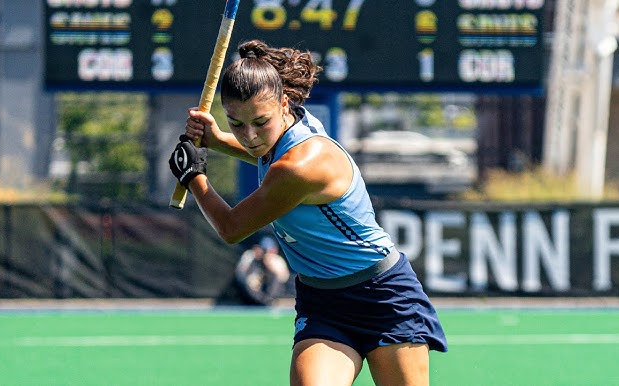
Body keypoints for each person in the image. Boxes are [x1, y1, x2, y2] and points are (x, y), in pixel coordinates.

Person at [169, 39, 447, 386]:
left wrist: (193, 177)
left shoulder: (302, 164)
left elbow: (231, 228)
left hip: (382, 296)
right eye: (236, 124)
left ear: (284, 103)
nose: (250, 136)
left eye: (260, 121)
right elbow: (264, 154)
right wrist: (217, 139)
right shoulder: (293, 128)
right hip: (323, 303)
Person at [235, 236, 290, 306]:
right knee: (248, 282)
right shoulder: (251, 256)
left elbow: (283, 277)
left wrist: (270, 266)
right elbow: (241, 272)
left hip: (270, 290)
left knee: (275, 278)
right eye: (264, 250)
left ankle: (267, 300)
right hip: (254, 291)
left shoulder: (275, 260)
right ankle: (261, 300)